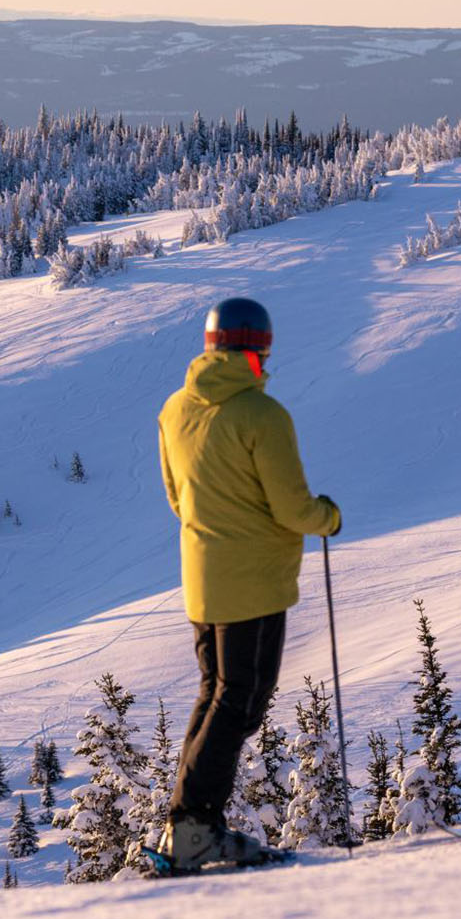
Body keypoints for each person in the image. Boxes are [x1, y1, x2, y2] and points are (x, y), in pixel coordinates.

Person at [155, 297, 341, 870]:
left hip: (202, 580)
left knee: (216, 693)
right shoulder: (262, 416)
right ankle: (193, 828)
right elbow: (292, 508)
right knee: (240, 700)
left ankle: (185, 825)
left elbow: (175, 497)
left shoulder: (175, 410)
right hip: (255, 583)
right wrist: (327, 517)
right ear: (260, 349)